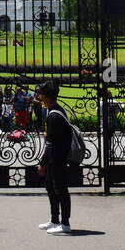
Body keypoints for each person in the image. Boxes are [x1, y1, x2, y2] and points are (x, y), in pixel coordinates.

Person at [35, 81, 72, 235]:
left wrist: (42, 163)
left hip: (57, 158)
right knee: (51, 188)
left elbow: (50, 143)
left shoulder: (54, 116)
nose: (39, 97)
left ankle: (65, 223)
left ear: (47, 96)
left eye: (41, 94)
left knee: (60, 189)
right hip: (54, 158)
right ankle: (55, 219)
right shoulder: (54, 111)